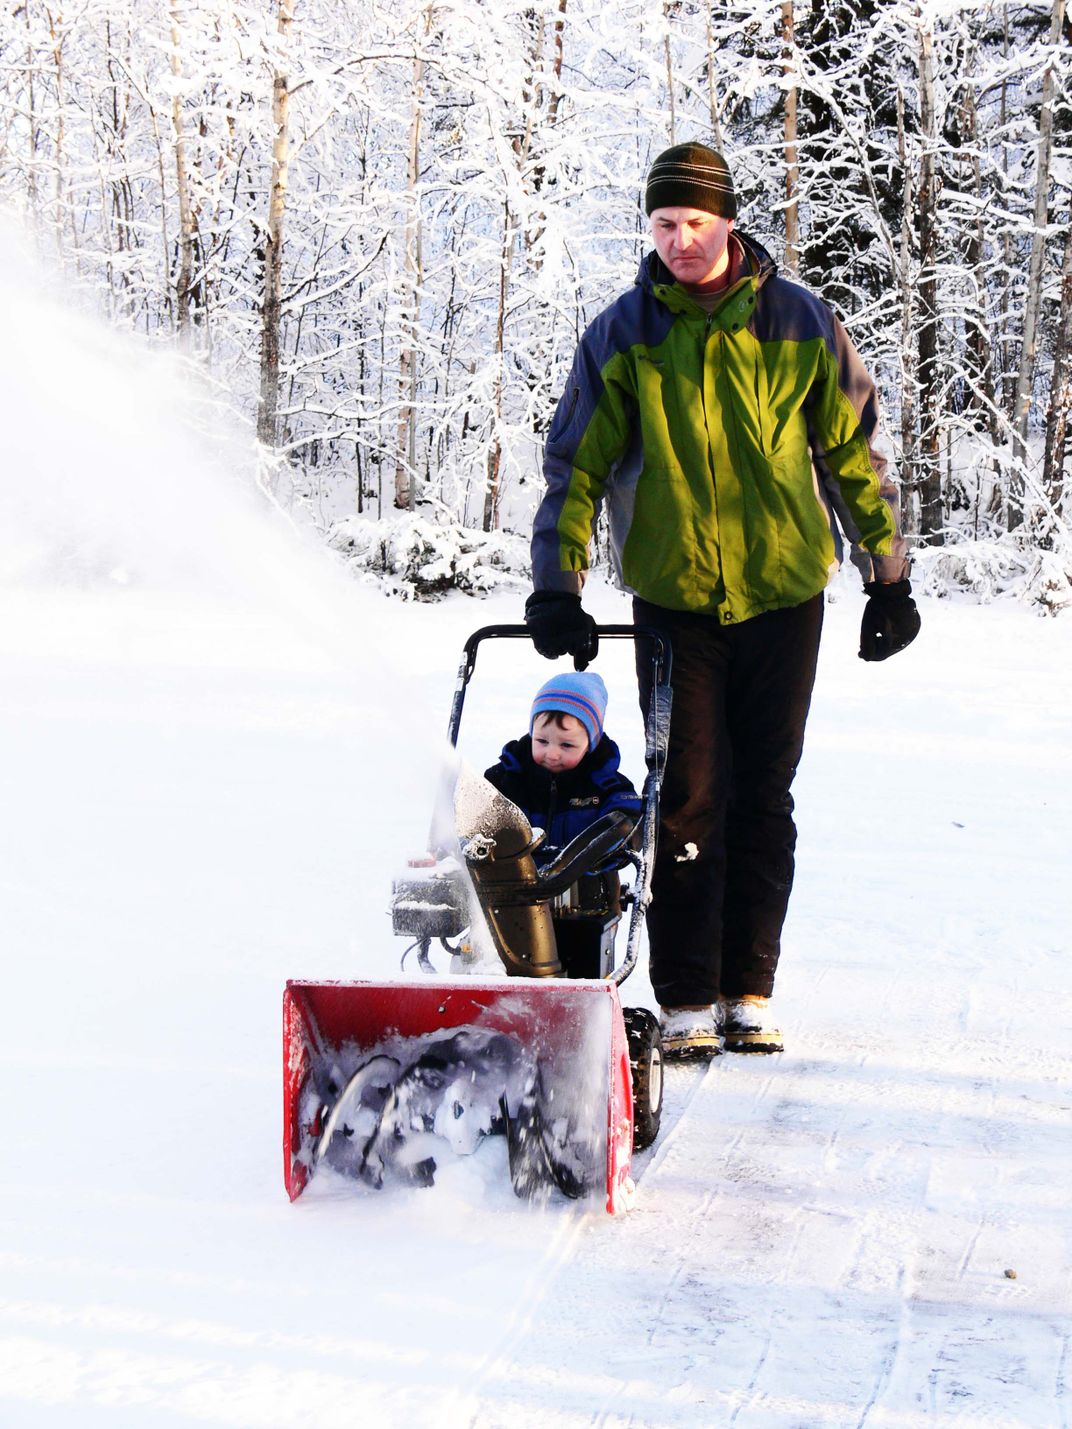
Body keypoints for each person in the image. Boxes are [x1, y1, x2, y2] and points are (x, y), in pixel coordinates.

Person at [524, 141, 920, 1059]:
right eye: (663, 225)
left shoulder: (799, 322)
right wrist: (558, 586)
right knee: (688, 796)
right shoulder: (622, 335)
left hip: (784, 598)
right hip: (676, 604)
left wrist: (887, 578)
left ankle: (751, 986)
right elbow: (575, 467)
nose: (679, 241)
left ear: (729, 222)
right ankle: (688, 995)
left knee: (764, 795)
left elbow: (853, 457)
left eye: (694, 222)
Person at [483, 671, 641, 854]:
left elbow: (629, 822)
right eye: (542, 741)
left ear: (590, 745)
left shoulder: (606, 784)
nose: (552, 754)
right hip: (514, 876)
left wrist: (615, 839)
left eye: (566, 745)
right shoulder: (507, 777)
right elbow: (473, 814)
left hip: (585, 875)